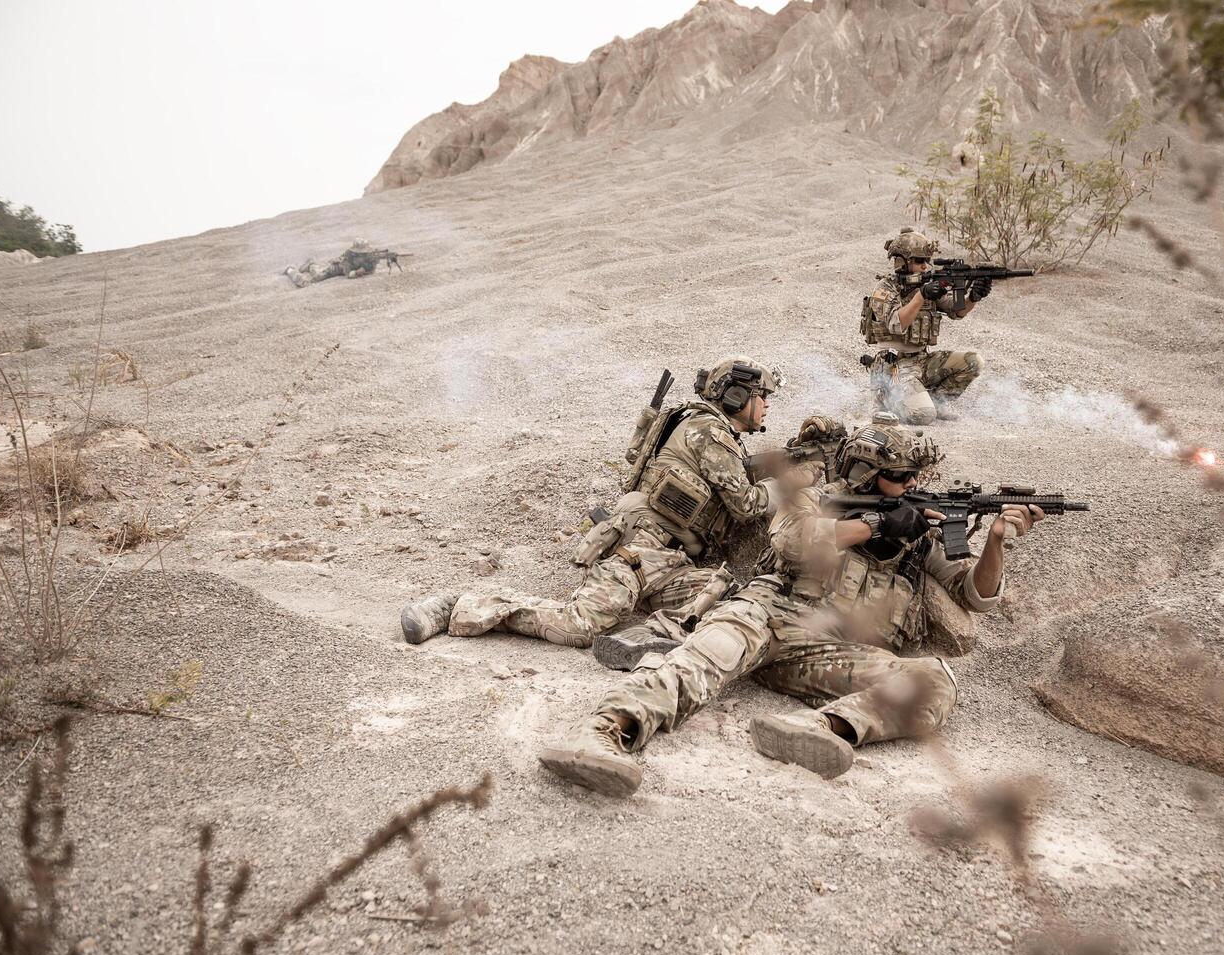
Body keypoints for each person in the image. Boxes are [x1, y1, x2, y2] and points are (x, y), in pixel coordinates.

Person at [537, 413, 1044, 797]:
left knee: (933, 680)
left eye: (915, 478)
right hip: (769, 614)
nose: (913, 487)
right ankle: (603, 732)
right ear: (868, 475)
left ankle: (818, 729)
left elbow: (975, 596)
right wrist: (877, 525)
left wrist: (997, 540)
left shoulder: (918, 529)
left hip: (828, 652)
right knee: (700, 658)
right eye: (902, 477)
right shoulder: (817, 499)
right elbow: (793, 541)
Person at [398, 357, 818, 663]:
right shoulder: (707, 430)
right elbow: (745, 504)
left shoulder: (710, 430)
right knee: (577, 626)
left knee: (730, 599)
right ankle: (459, 606)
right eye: (762, 397)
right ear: (738, 395)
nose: (766, 406)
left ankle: (643, 636)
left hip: (673, 563)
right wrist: (794, 481)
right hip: (640, 551)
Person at [860, 227, 992, 423]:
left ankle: (936, 401)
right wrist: (922, 295)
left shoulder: (926, 284)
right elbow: (897, 324)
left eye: (927, 261)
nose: (925, 266)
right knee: (923, 415)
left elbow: (957, 311)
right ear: (902, 261)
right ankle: (886, 397)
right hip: (894, 366)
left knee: (974, 361)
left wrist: (972, 297)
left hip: (922, 360)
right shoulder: (885, 289)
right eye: (920, 261)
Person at [283, 239, 383, 288]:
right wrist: (358, 272)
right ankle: (292, 270)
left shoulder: (370, 255)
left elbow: (371, 267)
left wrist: (371, 265)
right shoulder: (349, 256)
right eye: (361, 252)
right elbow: (349, 274)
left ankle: (311, 264)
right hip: (338, 268)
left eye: (365, 251)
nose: (364, 254)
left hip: (349, 268)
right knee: (311, 281)